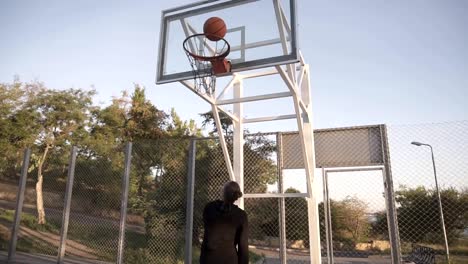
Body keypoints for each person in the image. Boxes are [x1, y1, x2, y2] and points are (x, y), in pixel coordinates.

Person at [200, 181, 249, 264]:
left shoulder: (209, 208)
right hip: (229, 259)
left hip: (208, 259)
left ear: (223, 193)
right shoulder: (241, 216)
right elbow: (243, 245)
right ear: (236, 197)